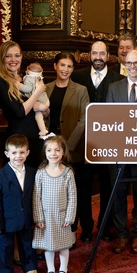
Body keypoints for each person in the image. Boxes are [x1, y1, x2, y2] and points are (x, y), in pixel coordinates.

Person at [71, 41, 122, 243]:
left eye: (102, 53)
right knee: (83, 186)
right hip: (84, 143)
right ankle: (86, 227)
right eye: (94, 53)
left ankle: (105, 226)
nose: (98, 57)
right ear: (89, 55)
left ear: (108, 55)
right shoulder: (78, 76)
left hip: (109, 143)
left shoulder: (118, 79)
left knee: (108, 186)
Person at [106, 49, 137, 254]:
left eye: (136, 63)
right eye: (129, 63)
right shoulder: (113, 87)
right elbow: (107, 119)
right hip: (118, 150)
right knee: (118, 192)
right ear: (124, 64)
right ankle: (122, 234)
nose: (132, 66)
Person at [45, 53, 90, 244]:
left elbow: (85, 119)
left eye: (69, 66)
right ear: (55, 66)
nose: (65, 69)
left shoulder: (81, 90)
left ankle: (83, 229)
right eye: (62, 65)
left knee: (78, 193)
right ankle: (58, 233)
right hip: (50, 150)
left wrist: (67, 147)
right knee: (55, 195)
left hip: (73, 150)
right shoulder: (44, 88)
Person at [0, 134, 39, 273]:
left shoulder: (32, 172)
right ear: (7, 154)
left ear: (28, 153)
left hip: (26, 217)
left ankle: (29, 266)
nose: (18, 156)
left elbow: (35, 196)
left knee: (27, 242)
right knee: (5, 246)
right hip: (6, 219)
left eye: (22, 152)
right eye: (14, 153)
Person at [0, 40, 48, 169]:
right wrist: (38, 91)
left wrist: (45, 109)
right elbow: (19, 112)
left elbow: (42, 110)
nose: (14, 59)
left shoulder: (25, 78)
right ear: (2, 58)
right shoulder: (0, 81)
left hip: (37, 138)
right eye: (8, 56)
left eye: (17, 55)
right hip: (18, 142)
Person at [32, 136, 77, 273]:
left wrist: (69, 217)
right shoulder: (41, 172)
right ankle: (51, 269)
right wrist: (38, 218)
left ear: (63, 152)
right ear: (45, 152)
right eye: (50, 150)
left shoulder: (68, 172)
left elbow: (73, 197)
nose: (53, 153)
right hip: (46, 217)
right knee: (49, 246)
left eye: (57, 150)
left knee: (64, 245)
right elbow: (36, 196)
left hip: (62, 216)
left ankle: (63, 269)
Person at [19, 62, 51, 138]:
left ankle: (43, 130)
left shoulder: (29, 78)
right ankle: (43, 130)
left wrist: (18, 85)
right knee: (39, 115)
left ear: (27, 71)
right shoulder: (39, 78)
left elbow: (27, 89)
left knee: (38, 115)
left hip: (39, 101)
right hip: (45, 100)